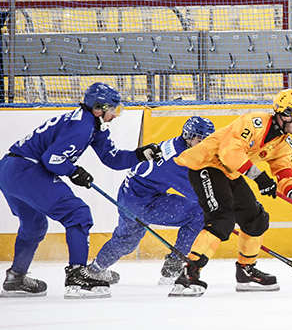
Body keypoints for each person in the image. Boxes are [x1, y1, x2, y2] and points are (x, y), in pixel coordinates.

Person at [0, 82, 163, 299]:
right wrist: (73, 171)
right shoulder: (82, 126)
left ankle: (16, 277)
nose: (115, 114)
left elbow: (112, 159)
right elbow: (52, 160)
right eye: (112, 109)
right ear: (98, 108)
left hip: (8, 170)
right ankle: (77, 275)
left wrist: (140, 154)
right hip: (26, 170)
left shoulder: (92, 124)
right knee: (78, 213)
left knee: (34, 224)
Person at [170, 89, 292, 297]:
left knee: (256, 219)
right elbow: (230, 152)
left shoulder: (283, 143)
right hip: (207, 165)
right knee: (222, 220)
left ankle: (246, 271)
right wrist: (260, 178)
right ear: (286, 113)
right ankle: (189, 273)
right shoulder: (254, 122)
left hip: (231, 173)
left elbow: (284, 174)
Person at [86, 116, 216, 286]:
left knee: (125, 241)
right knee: (199, 212)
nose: (206, 145)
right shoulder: (177, 161)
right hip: (142, 203)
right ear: (189, 136)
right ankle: (172, 271)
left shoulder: (178, 145)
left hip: (130, 195)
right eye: (201, 140)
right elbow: (199, 195)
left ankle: (94, 270)